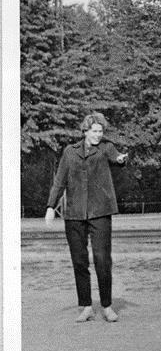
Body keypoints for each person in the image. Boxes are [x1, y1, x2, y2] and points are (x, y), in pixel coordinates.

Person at [45, 112, 128, 323]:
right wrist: (50, 206)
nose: (98, 135)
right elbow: (59, 180)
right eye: (95, 131)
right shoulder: (69, 152)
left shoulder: (106, 148)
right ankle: (86, 306)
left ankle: (107, 306)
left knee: (102, 260)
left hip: (100, 212)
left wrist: (120, 159)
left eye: (101, 131)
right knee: (79, 261)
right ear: (85, 131)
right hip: (74, 214)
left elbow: (116, 157)